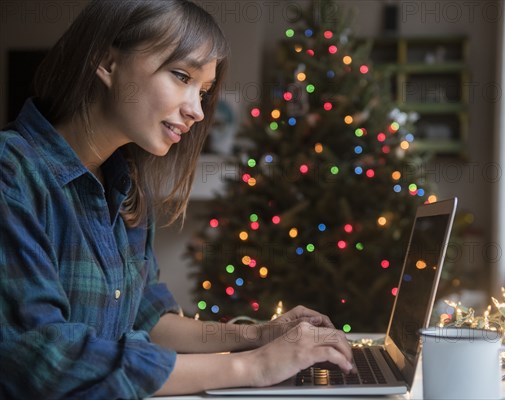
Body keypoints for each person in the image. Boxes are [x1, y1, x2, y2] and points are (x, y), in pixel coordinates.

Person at [0, 1, 354, 398]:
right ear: (106, 62)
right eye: (181, 76)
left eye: (203, 92)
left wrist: (257, 335)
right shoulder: (11, 174)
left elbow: (150, 318)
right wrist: (251, 366)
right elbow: (44, 360)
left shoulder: (126, 185)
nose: (198, 111)